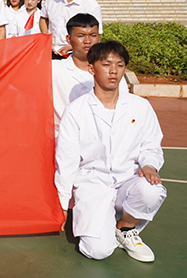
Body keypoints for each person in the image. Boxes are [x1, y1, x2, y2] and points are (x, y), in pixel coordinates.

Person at [55, 40, 166, 262]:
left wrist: (149, 164)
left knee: (152, 190)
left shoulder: (140, 106)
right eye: (106, 64)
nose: (113, 71)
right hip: (93, 184)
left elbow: (151, 144)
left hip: (128, 180)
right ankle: (104, 221)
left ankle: (125, 227)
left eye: (120, 64)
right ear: (91, 68)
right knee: (97, 251)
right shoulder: (76, 111)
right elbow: (66, 161)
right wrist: (62, 204)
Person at [52, 13, 128, 136]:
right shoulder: (54, 69)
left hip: (102, 138)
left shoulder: (111, 72)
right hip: (64, 138)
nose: (87, 41)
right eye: (81, 36)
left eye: (93, 35)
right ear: (68, 39)